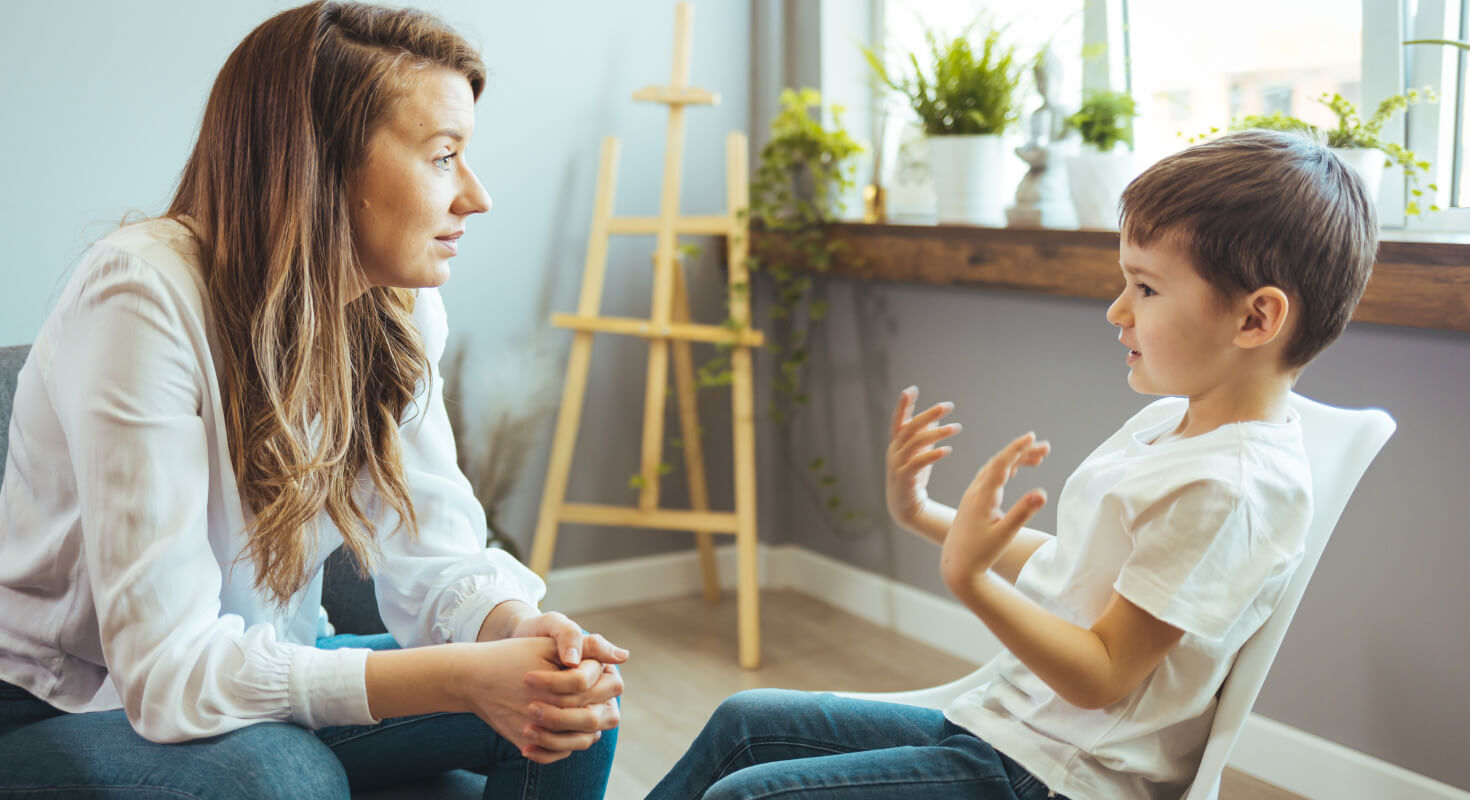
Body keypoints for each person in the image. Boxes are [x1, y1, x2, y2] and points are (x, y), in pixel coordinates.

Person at [0, 2, 626, 797]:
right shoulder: (140, 297)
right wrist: (464, 678)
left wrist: (513, 632)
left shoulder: (391, 303)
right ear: (321, 162)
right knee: (280, 777)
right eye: (443, 156)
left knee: (570, 703)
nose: (476, 195)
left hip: (248, 672)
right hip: (67, 707)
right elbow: (165, 673)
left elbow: (435, 552)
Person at [647, 129, 1379, 800]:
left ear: (1256, 319)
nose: (1116, 310)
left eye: (1147, 288)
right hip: (1008, 734)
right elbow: (1084, 573)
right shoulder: (1174, 424)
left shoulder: (1233, 490)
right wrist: (925, 515)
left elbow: (1102, 675)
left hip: (1060, 778)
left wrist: (968, 580)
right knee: (743, 724)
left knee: (745, 797)